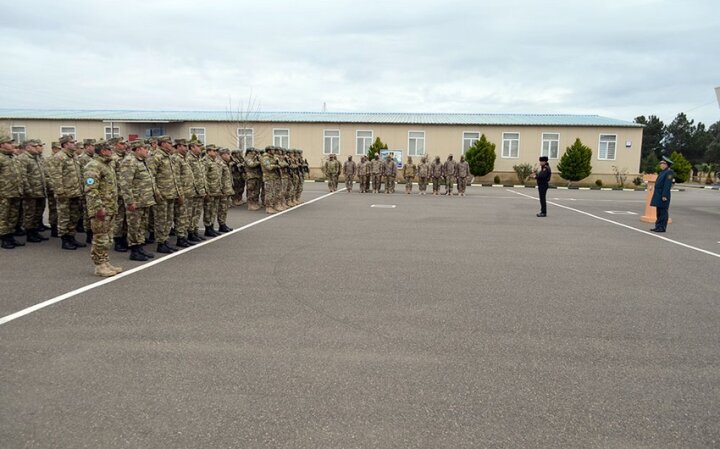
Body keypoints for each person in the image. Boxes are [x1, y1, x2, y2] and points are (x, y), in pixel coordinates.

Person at [83, 142, 122, 277]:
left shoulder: (107, 165)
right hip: (100, 209)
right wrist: (98, 208)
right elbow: (91, 189)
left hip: (110, 208)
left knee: (108, 238)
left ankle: (105, 262)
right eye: (109, 150)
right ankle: (99, 266)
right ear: (103, 151)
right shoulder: (93, 166)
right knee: (100, 237)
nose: (112, 152)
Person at [119, 140, 157, 261]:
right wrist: (130, 201)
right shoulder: (129, 162)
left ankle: (140, 247)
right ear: (138, 149)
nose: (147, 151)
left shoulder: (142, 161)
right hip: (136, 201)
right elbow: (125, 184)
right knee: (134, 226)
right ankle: (134, 250)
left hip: (144, 200)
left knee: (142, 225)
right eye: (145, 148)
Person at [48, 135, 87, 250]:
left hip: (75, 192)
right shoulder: (59, 157)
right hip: (65, 194)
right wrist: (60, 192)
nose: (74, 144)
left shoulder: (74, 156)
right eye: (72, 142)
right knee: (64, 217)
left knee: (74, 216)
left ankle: (71, 236)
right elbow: (56, 176)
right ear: (65, 145)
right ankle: (65, 240)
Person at [0, 135, 25, 249]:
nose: (12, 145)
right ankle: (4, 238)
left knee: (13, 216)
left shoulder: (14, 157)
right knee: (3, 217)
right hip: (4, 194)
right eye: (9, 143)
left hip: (15, 192)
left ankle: (10, 236)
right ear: (2, 145)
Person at [650, 156, 674, 232]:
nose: (660, 164)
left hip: (663, 195)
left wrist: (664, 195)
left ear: (666, 164)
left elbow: (667, 185)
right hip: (658, 194)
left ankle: (662, 227)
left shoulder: (669, 172)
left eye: (662, 163)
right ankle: (658, 226)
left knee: (663, 212)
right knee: (659, 211)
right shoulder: (662, 172)